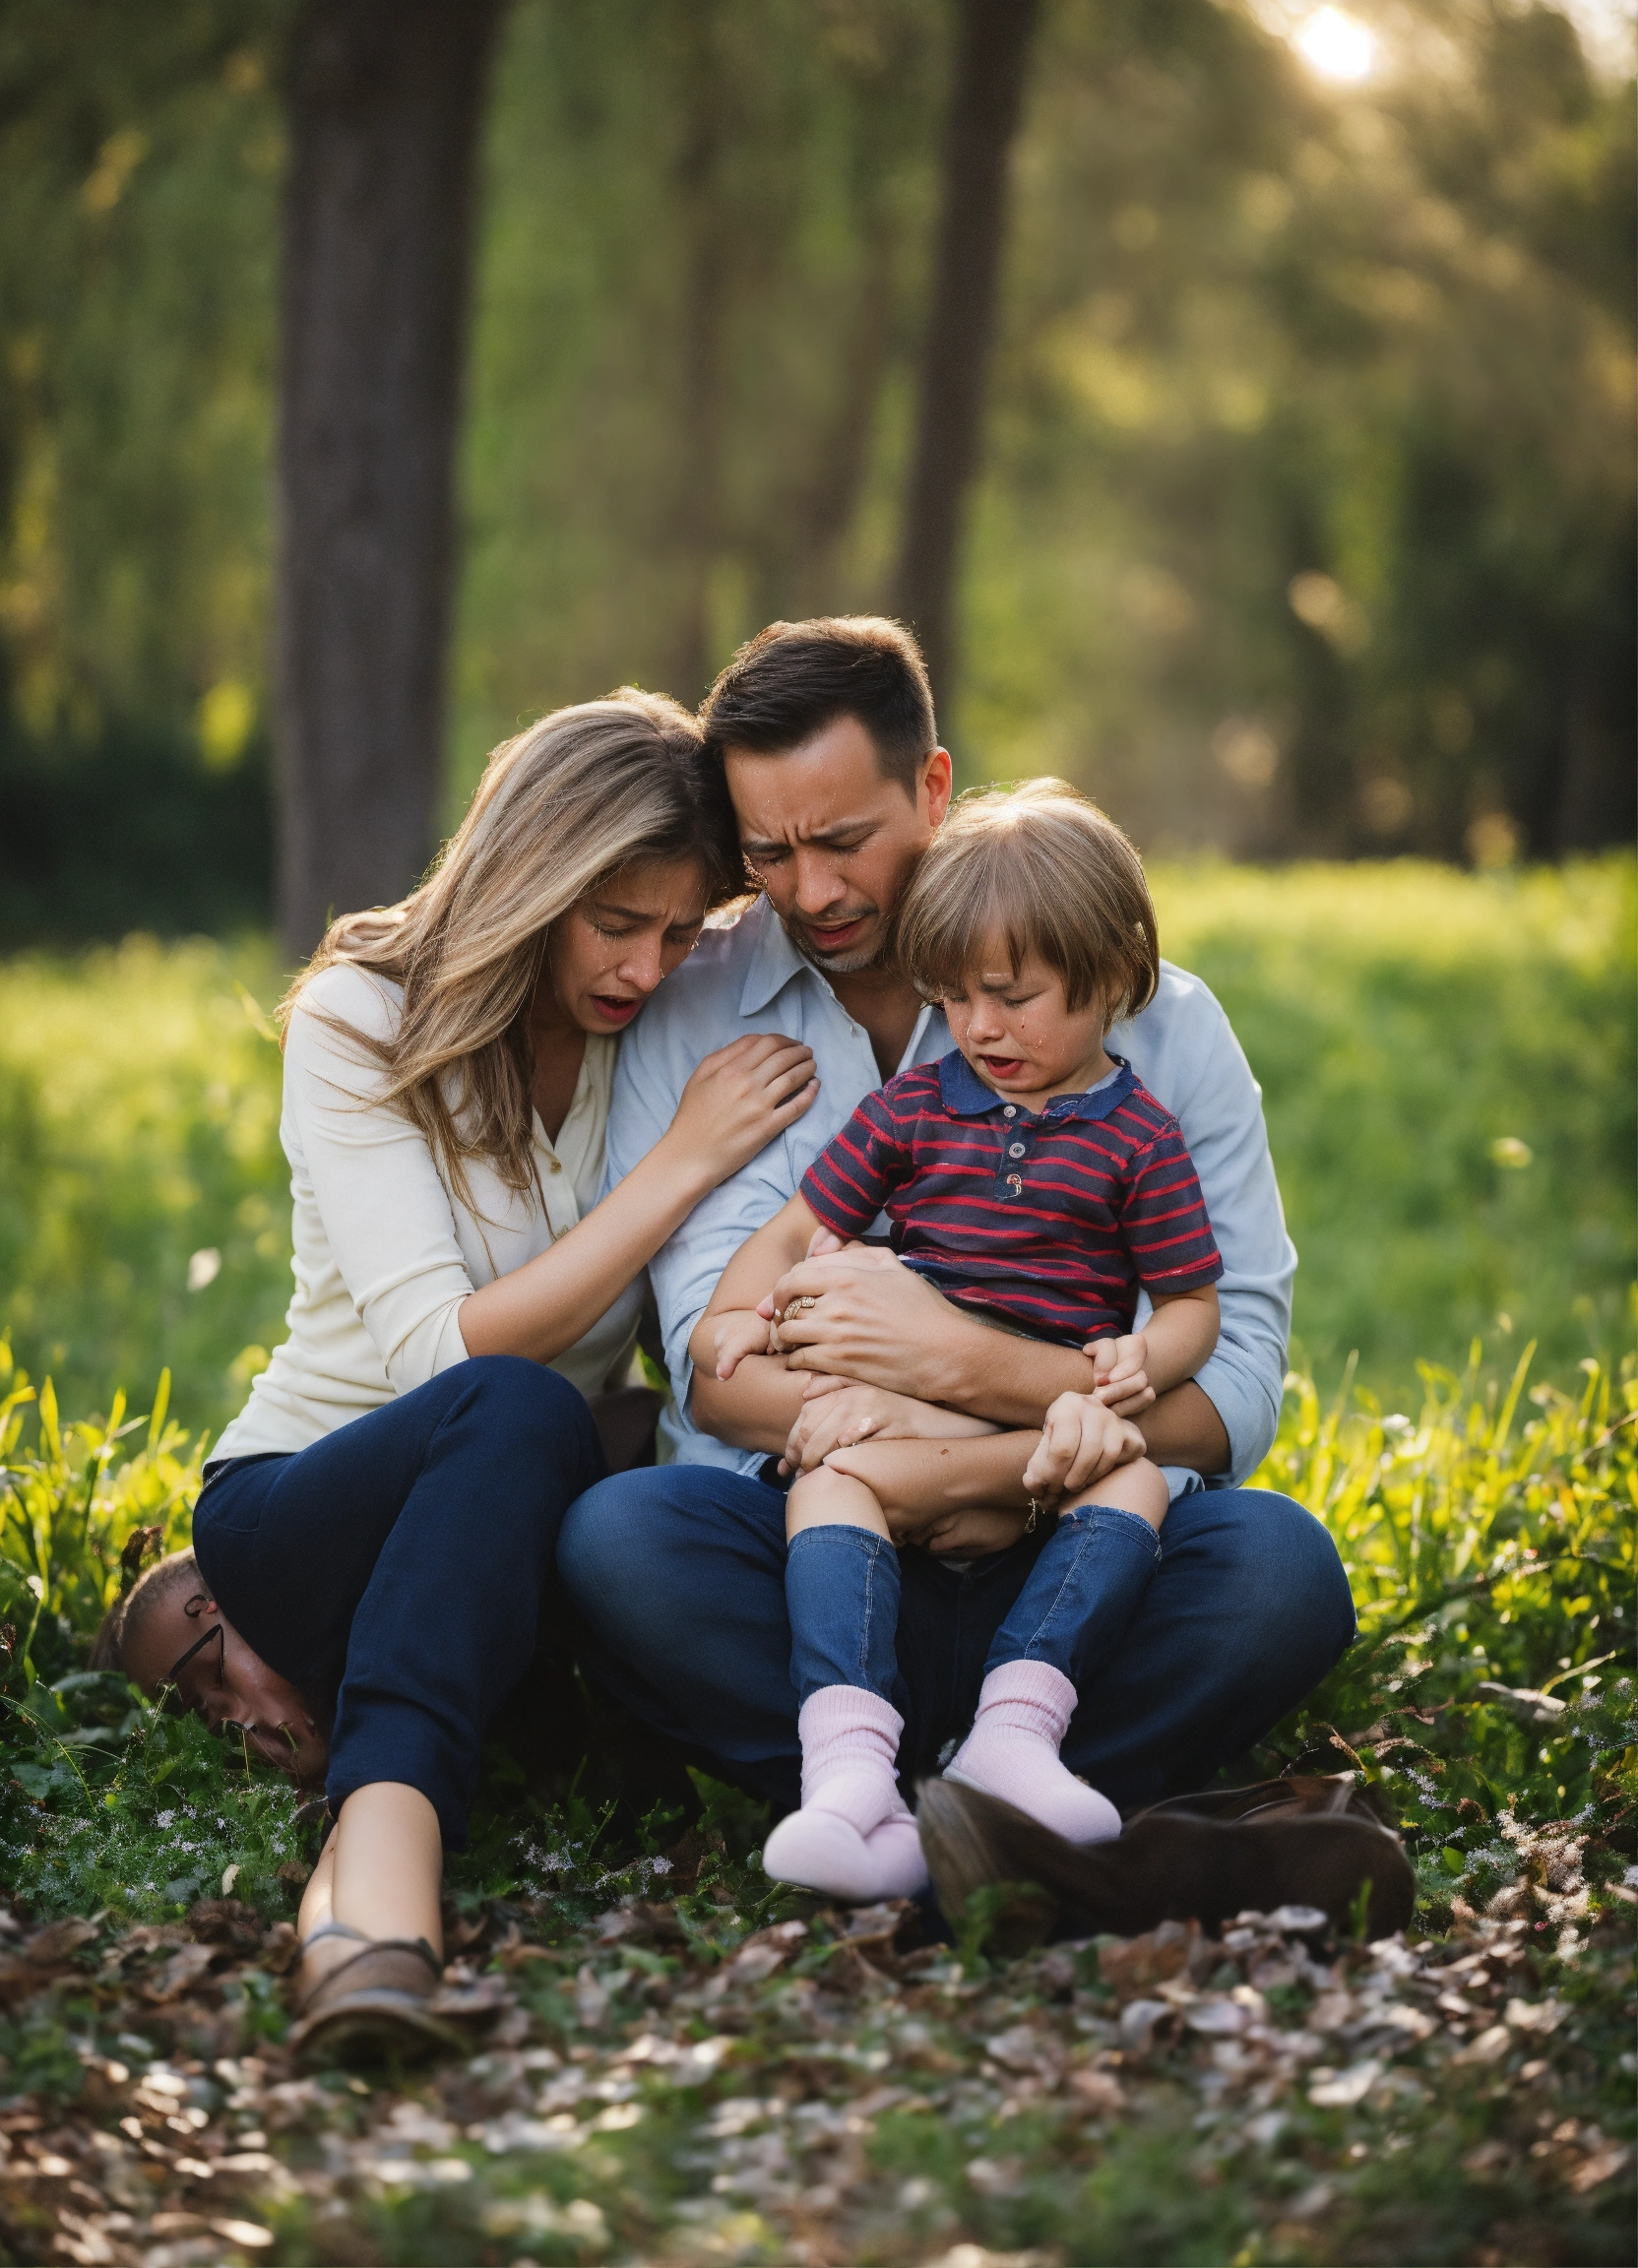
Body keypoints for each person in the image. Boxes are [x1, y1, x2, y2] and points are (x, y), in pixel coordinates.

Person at [558, 617, 1355, 1864]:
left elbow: (1234, 1387)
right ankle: (997, 1833)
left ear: (930, 787)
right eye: (767, 851)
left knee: (1278, 1570)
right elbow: (723, 1381)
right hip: (817, 1543)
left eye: (842, 840)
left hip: (1083, 1543)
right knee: (620, 1544)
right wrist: (933, 1452)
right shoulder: (695, 1013)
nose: (809, 890)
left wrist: (955, 1373)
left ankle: (930, 1829)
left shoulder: (1161, 1027)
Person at [92, 690, 819, 2052]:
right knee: (512, 1400)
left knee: (618, 1597)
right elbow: (443, 1352)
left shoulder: (656, 1031)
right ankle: (372, 1897)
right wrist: (682, 1165)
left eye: (678, 931)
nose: (648, 968)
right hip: (312, 1505)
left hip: (521, 1533)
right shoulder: (359, 1018)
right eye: (615, 924)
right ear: (528, 876)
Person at [697, 782, 1225, 1899]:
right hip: (909, 1451)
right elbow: (800, 1227)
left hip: (1048, 1461)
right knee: (820, 1485)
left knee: (1139, 1490)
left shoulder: (1140, 1140)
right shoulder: (917, 1111)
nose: (980, 1028)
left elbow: (1190, 1305)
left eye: (1013, 997)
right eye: (958, 999)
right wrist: (735, 1314)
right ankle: (849, 1776)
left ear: (1112, 977)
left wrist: (1141, 1365)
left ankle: (1012, 1744)